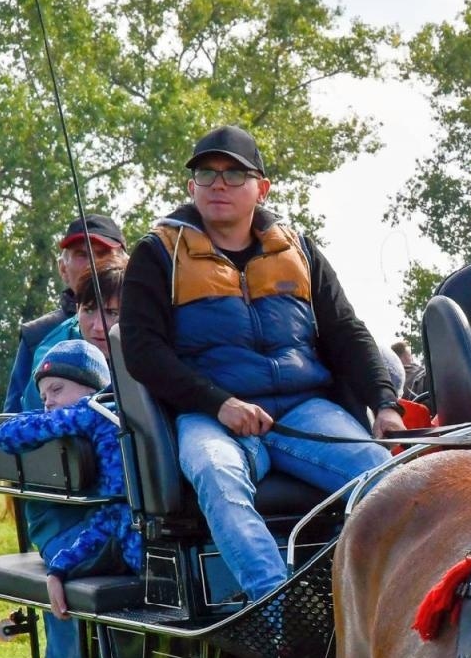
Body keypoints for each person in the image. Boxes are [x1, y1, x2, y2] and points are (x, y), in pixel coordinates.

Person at [120, 124, 403, 604]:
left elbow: (346, 333)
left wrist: (385, 404)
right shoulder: (158, 254)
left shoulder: (299, 250)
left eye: (234, 175)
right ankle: (277, 610)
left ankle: (376, 603)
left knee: (386, 476)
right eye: (206, 175)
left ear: (262, 188)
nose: (218, 185)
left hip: (302, 411)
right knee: (216, 474)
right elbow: (143, 352)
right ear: (191, 188)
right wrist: (218, 403)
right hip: (211, 415)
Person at [0, 339, 140, 658]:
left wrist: (61, 566)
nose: (50, 403)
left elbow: (6, 435)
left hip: (135, 546)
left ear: (91, 386)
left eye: (57, 390)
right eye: (43, 397)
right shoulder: (112, 411)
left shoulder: (90, 412)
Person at [3, 214, 127, 413]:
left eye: (103, 253)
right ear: (62, 268)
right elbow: (12, 417)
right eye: (82, 254)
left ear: (126, 263)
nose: (93, 263)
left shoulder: (156, 325)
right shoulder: (37, 335)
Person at [15, 268, 124, 412]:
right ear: (77, 310)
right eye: (89, 310)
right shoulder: (52, 354)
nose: (98, 326)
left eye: (112, 312)